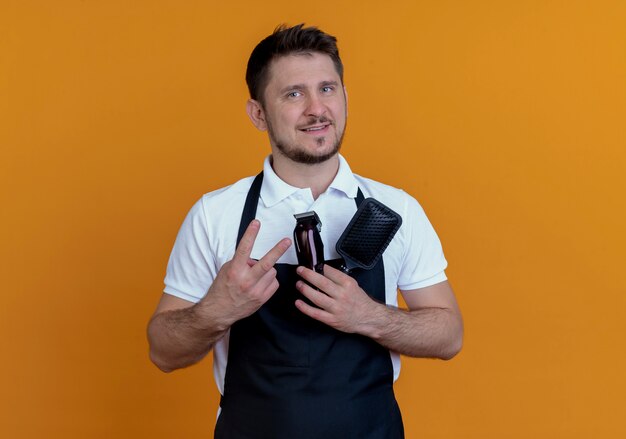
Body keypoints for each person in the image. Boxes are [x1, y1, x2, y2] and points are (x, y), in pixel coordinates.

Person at [147, 23, 463, 438]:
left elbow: (449, 335)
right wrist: (216, 311)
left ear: (345, 97)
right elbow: (163, 351)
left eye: (328, 89)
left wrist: (369, 317)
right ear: (258, 114)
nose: (317, 108)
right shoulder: (215, 214)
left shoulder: (394, 209)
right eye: (294, 94)